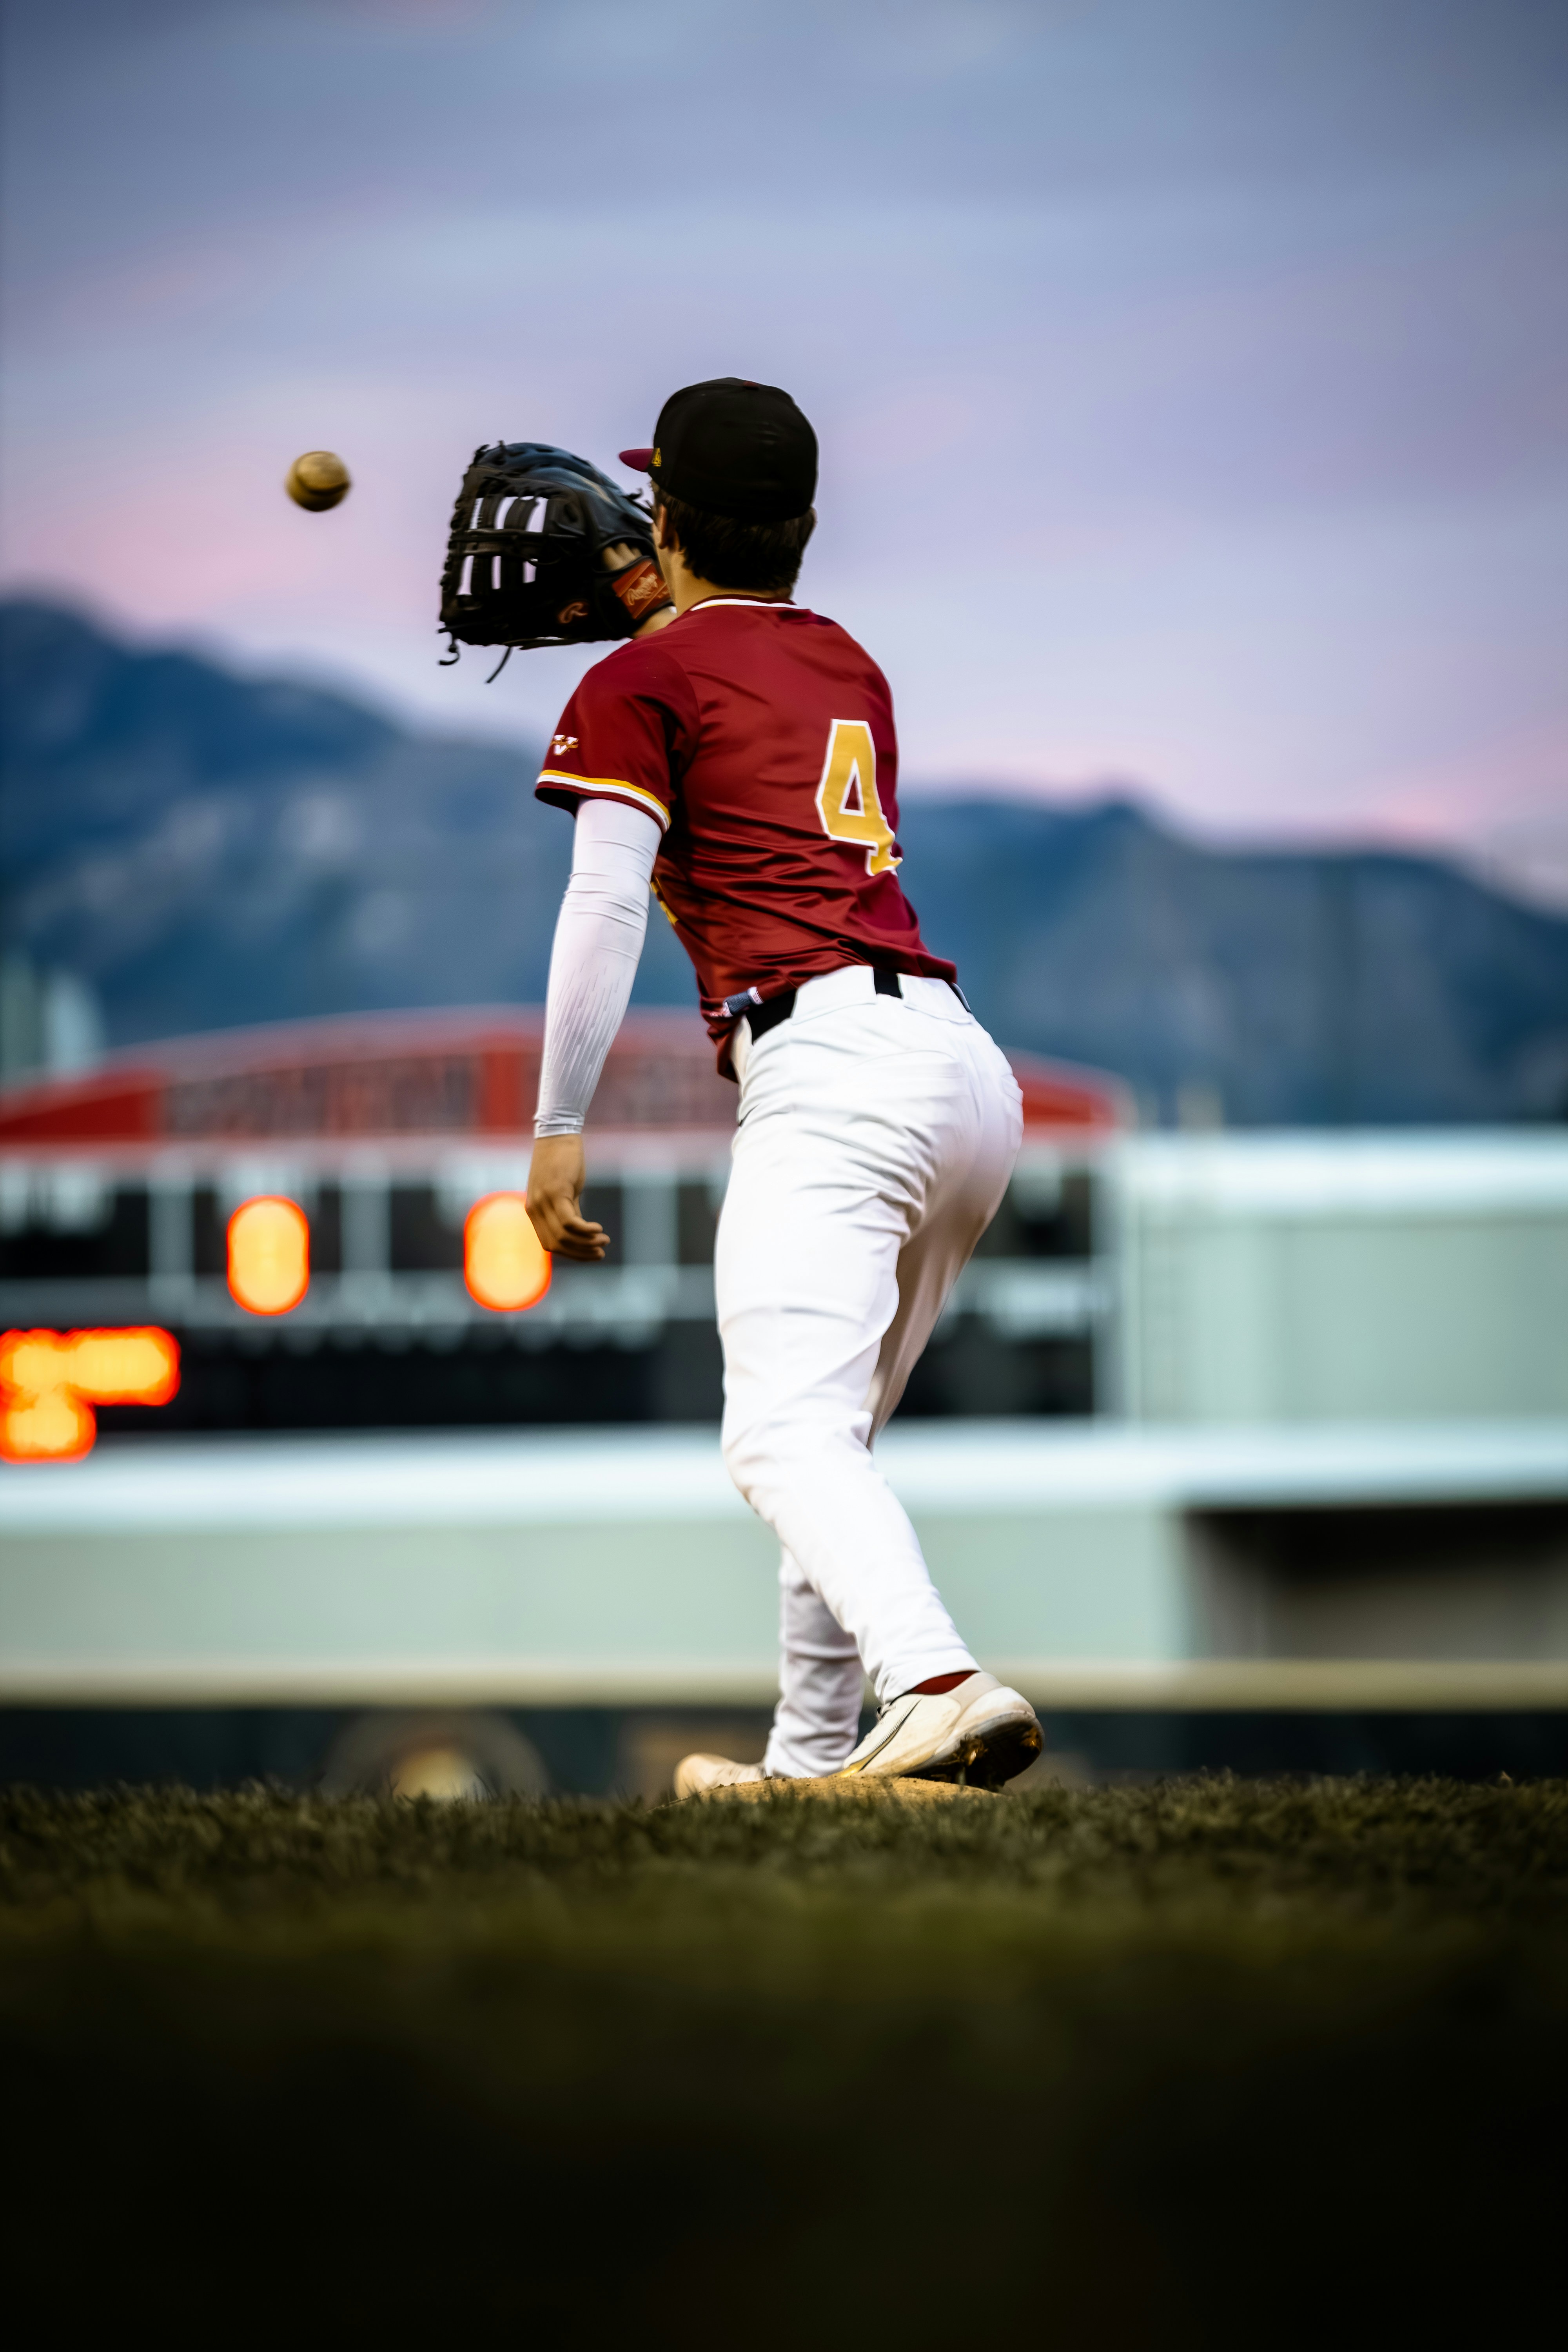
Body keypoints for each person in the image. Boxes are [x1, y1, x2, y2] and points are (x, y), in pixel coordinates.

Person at [526, 377, 1042, 1790]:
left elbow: (605, 906)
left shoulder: (637, 680)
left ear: (670, 520)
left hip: (830, 1064)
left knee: (781, 1433)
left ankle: (935, 1679)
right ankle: (815, 1762)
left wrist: (557, 1127)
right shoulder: (848, 661)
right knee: (834, 1445)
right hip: (962, 1073)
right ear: (805, 529)